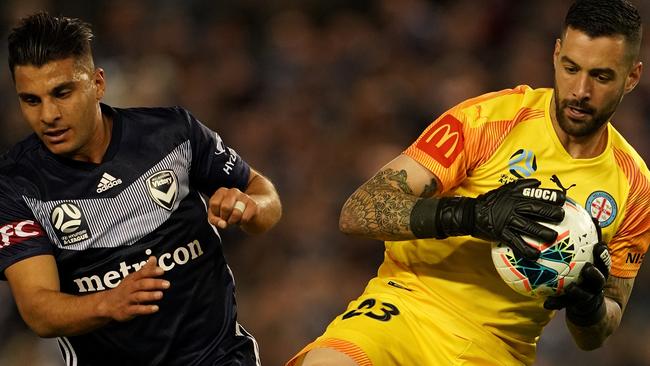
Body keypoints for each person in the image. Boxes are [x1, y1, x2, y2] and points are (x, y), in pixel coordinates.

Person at [287, 0, 650, 365]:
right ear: (556, 55)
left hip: (500, 350)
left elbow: (603, 323)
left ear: (632, 77)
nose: (580, 91)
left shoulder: (635, 186)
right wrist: (474, 214)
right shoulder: (487, 120)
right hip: (407, 309)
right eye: (571, 68)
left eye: (601, 76)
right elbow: (358, 211)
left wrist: (589, 310)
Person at [0, 12, 282, 366]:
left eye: (62, 92)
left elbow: (266, 197)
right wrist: (108, 303)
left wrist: (250, 206)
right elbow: (38, 310)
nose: (48, 115)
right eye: (31, 100)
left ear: (98, 84)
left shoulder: (172, 133)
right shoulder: (17, 186)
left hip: (219, 356)